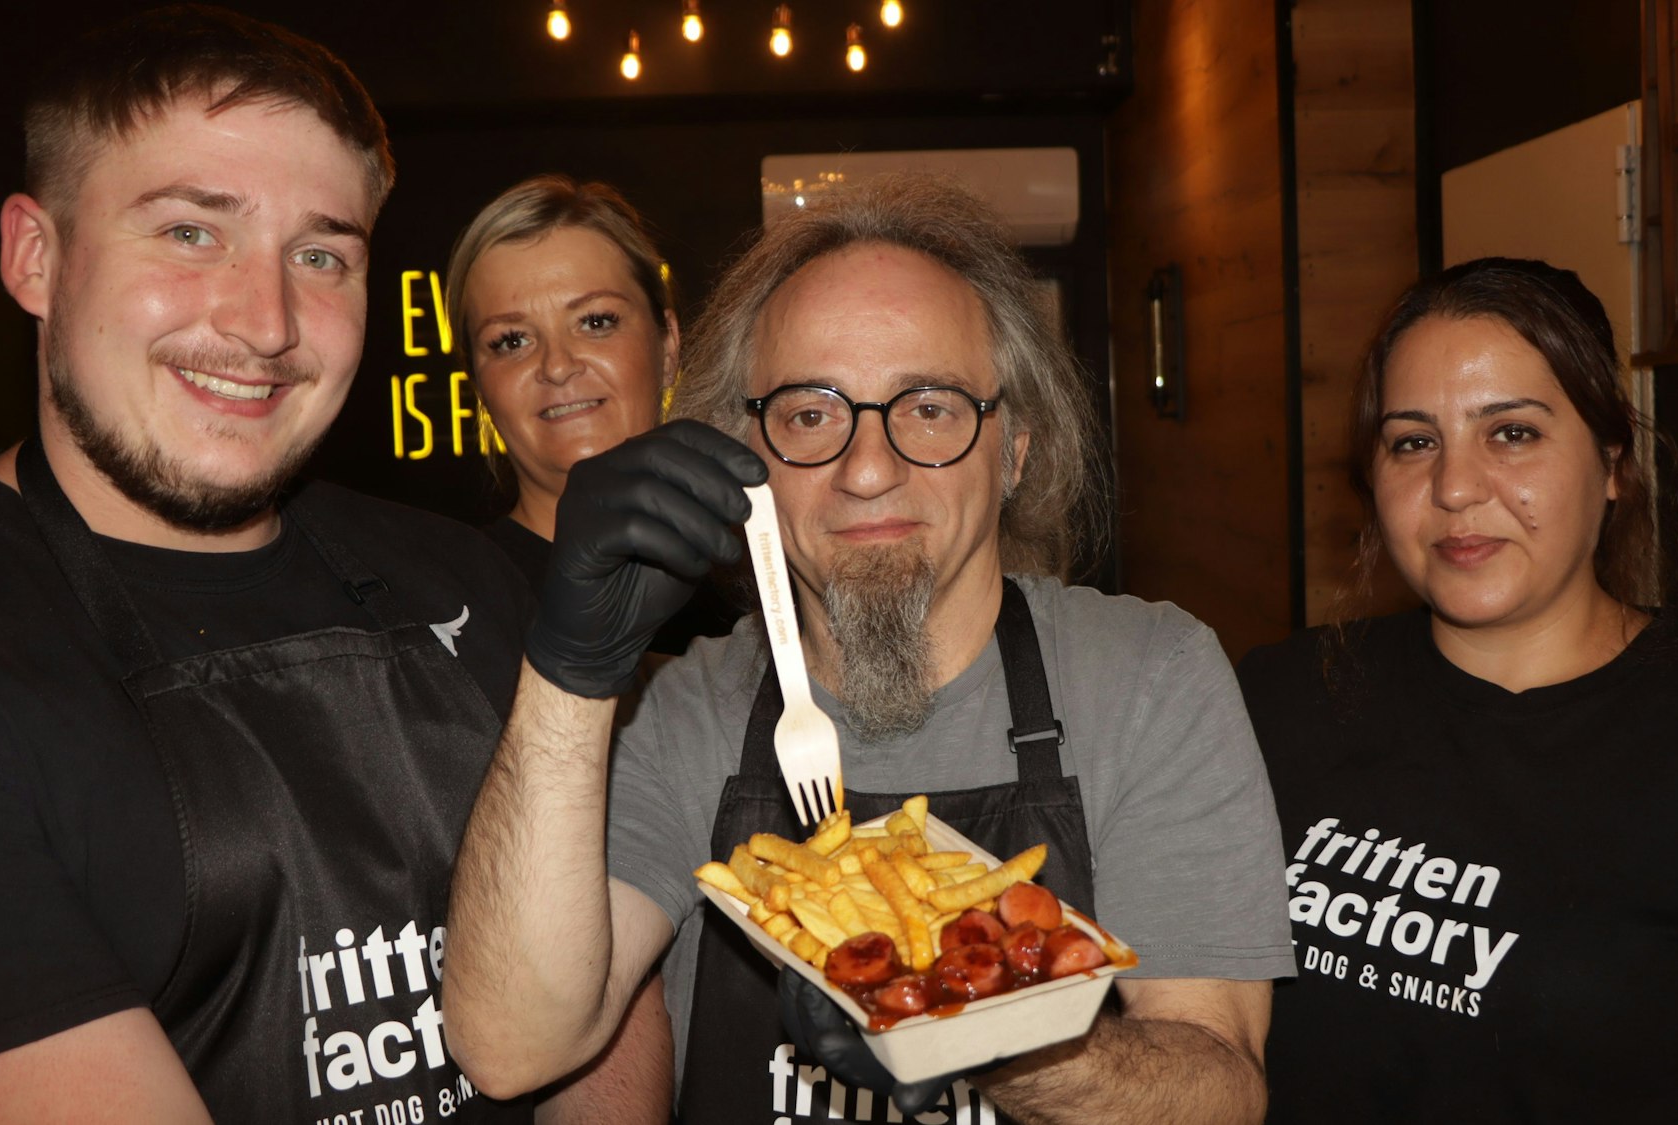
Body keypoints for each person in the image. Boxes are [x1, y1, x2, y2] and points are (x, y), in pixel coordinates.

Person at [0, 7, 657, 1121]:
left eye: (321, 253)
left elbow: (605, 1003)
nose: (268, 321)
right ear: (34, 257)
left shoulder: (465, 579)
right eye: (193, 232)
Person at [441, 173, 1295, 1124]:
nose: (868, 468)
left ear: (1012, 447)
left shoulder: (1147, 677)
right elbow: (512, 1046)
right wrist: (572, 667)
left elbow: (1220, 1085)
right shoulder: (687, 708)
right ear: (747, 457)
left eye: (927, 406)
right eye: (811, 413)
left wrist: (967, 1023)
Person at [1238, 257, 1678, 1121]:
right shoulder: (1272, 703)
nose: (1455, 487)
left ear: (1613, 463)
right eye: (1413, 441)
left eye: (1512, 433)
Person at [444, 174, 736, 652]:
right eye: (511, 341)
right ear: (478, 384)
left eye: (596, 321)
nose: (556, 366)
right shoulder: (445, 608)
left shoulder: (765, 589)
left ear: (667, 347)